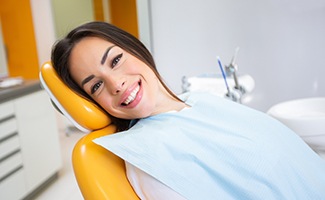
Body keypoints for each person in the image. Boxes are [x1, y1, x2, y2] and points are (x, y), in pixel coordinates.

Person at [51, 21, 325, 200]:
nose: (116, 83)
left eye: (116, 60)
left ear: (136, 49)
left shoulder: (199, 99)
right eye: (96, 86)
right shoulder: (148, 157)